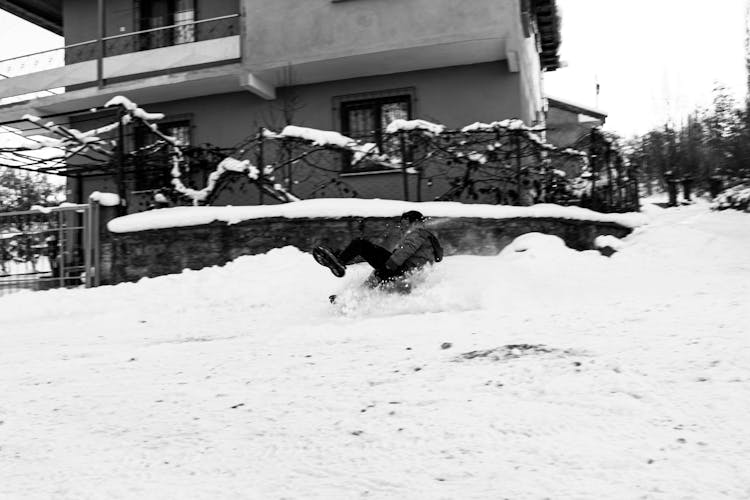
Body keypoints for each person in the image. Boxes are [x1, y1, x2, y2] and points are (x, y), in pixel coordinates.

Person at [313, 210, 442, 291]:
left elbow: (405, 251)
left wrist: (389, 266)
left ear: (413, 222)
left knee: (361, 244)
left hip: (403, 270)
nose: (402, 228)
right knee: (378, 274)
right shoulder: (426, 239)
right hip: (407, 274)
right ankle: (353, 297)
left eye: (404, 224)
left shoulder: (418, 233)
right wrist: (384, 269)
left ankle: (340, 262)